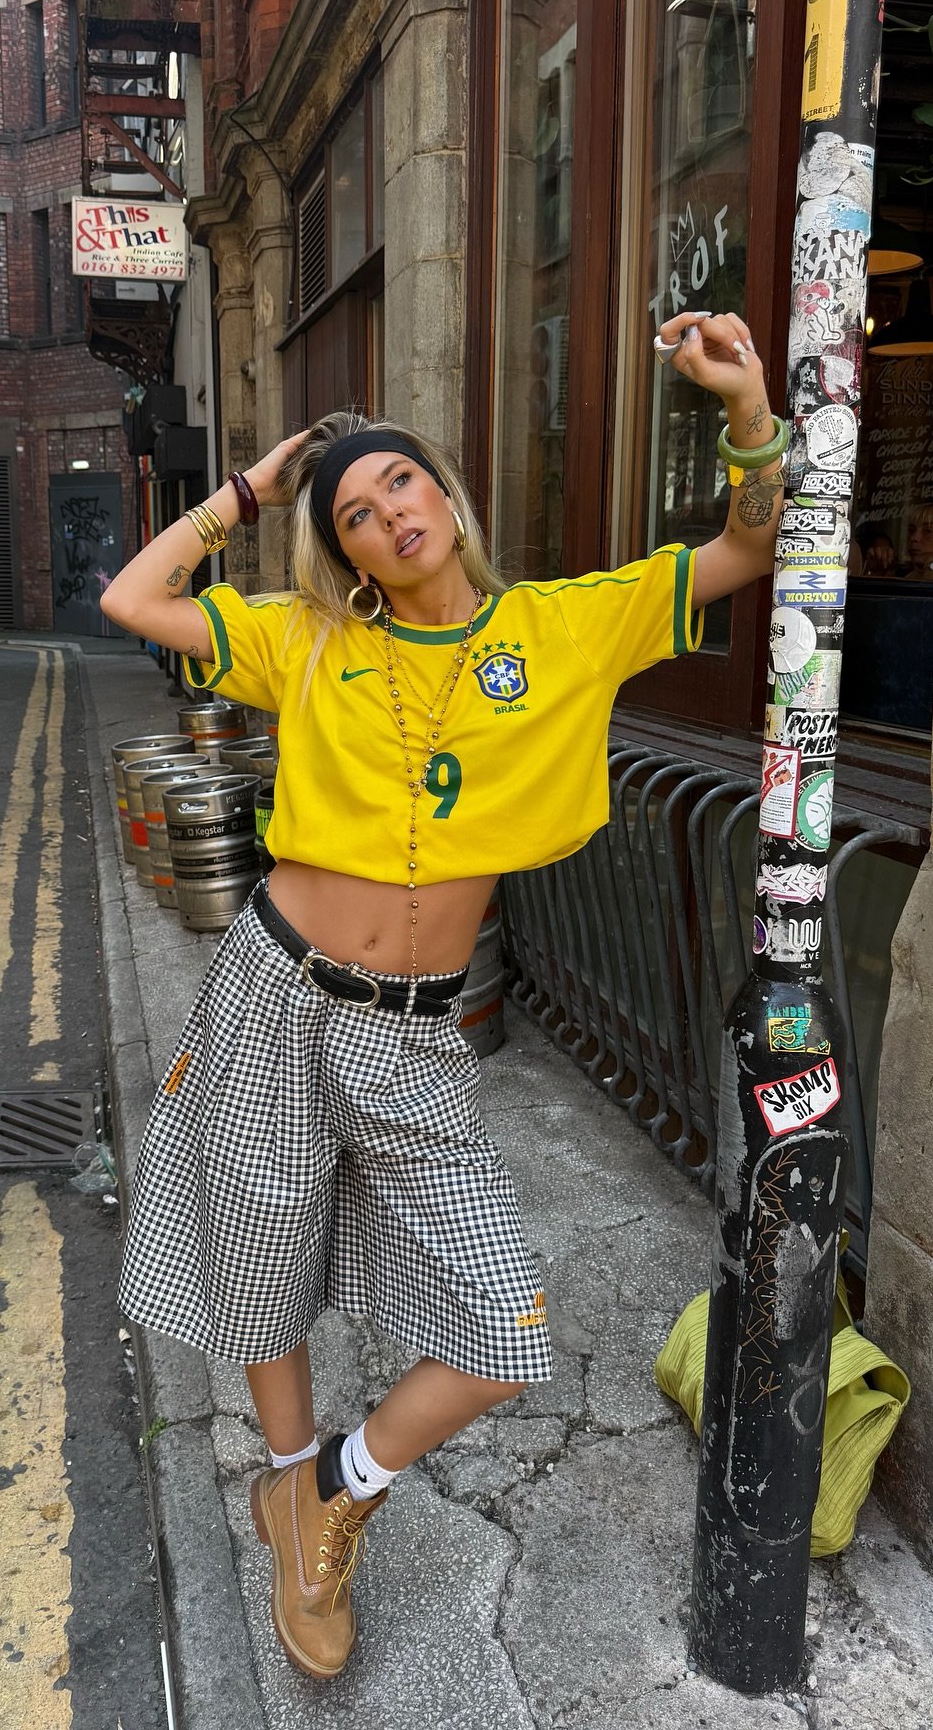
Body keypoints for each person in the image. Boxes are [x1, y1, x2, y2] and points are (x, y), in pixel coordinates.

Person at [99, 311, 786, 1682]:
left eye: (400, 482)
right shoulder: (306, 640)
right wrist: (250, 491)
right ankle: (290, 1503)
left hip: (417, 1030)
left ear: (445, 495)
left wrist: (748, 406)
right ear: (341, 547)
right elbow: (135, 600)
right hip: (276, 989)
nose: (385, 515)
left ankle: (341, 1482)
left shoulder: (563, 626)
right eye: (354, 510)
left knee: (501, 1323)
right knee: (264, 1253)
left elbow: (746, 549)